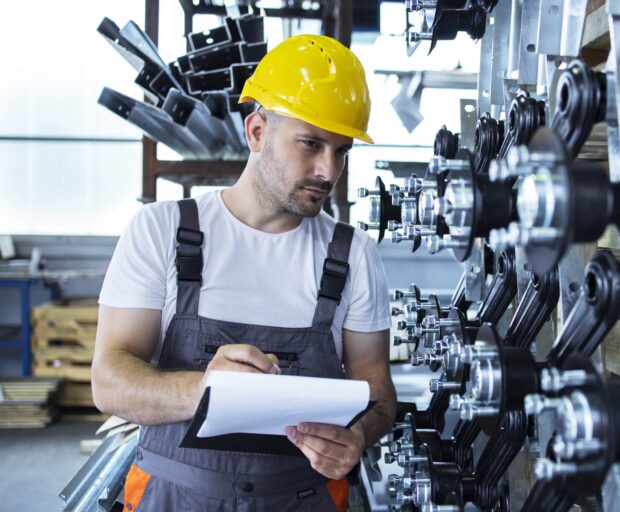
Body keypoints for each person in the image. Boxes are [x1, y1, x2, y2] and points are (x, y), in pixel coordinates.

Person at [91, 34, 397, 512]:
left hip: (302, 500)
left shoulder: (354, 255)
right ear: (257, 131)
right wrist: (205, 390)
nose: (327, 170)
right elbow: (109, 381)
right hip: (173, 498)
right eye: (311, 143)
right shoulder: (162, 231)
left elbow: (377, 387)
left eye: (341, 151)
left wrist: (358, 434)